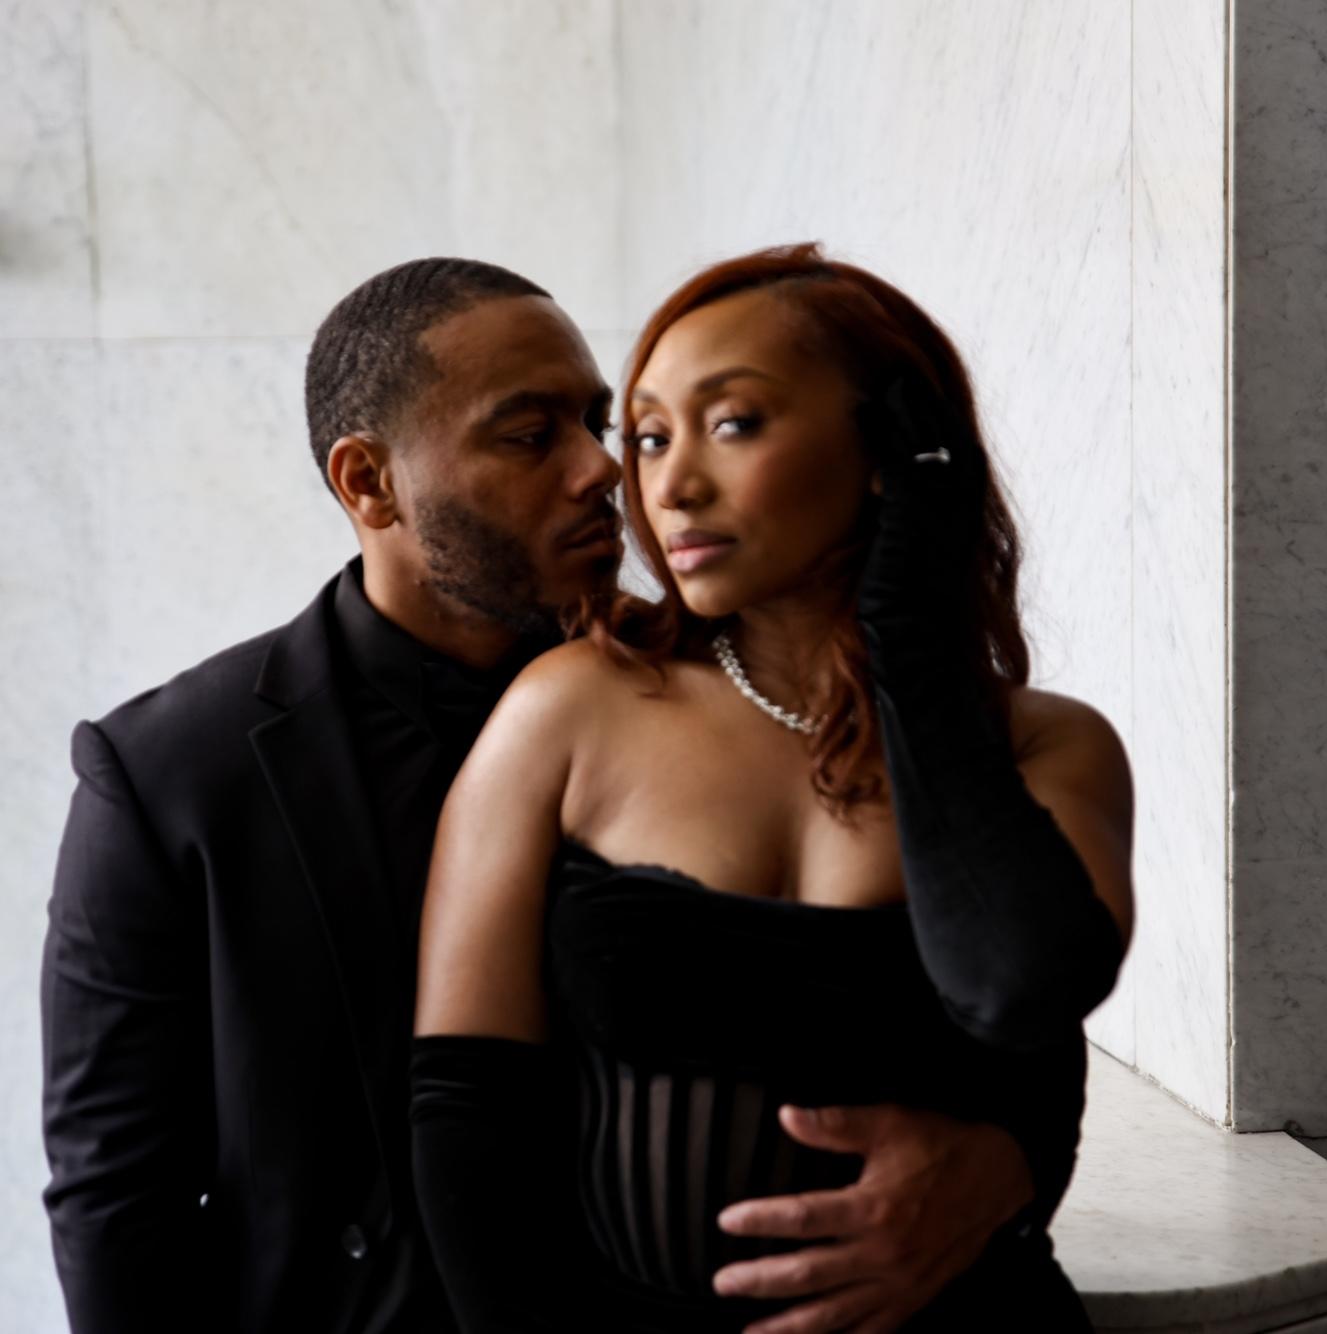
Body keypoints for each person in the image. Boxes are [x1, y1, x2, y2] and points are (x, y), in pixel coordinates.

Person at [42, 255, 1048, 1334]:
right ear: (368, 482)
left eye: (598, 423)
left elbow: (986, 975)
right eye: (530, 435)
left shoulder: (728, 687)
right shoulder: (168, 772)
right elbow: (116, 1197)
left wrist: (1007, 1160)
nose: (601, 469)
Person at [411, 245, 1135, 1331]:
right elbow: (465, 1105)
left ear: (893, 447)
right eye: (649, 436)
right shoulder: (572, 708)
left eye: (732, 422)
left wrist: (908, 635)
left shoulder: (1048, 748)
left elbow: (1021, 988)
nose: (670, 485)